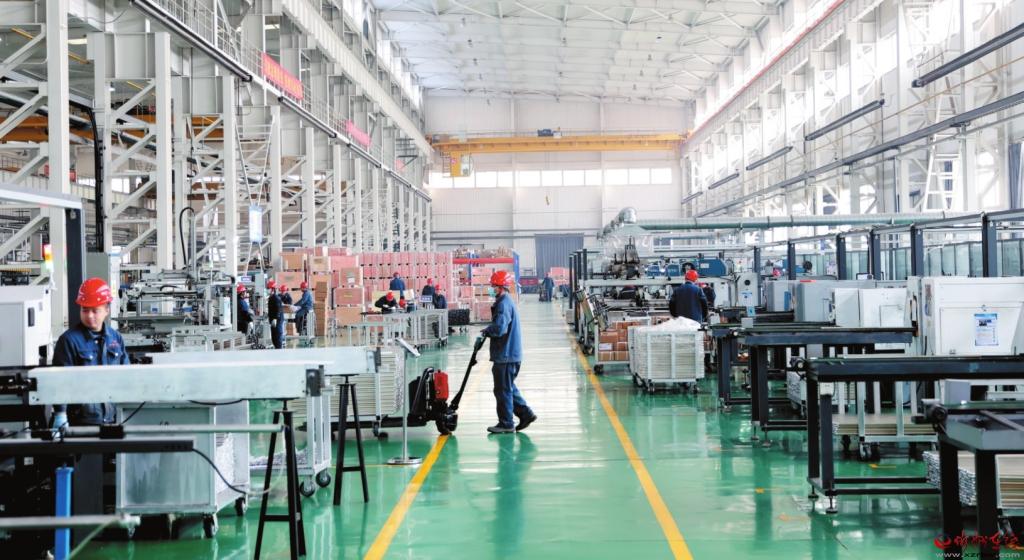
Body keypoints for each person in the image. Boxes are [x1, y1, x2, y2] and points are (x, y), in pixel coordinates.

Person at [52, 278, 130, 427]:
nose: (89, 315)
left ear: (106, 310)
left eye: (95, 310)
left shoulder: (115, 338)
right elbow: (60, 381)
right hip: (80, 422)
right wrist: (60, 414)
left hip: (111, 418)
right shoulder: (69, 340)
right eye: (85, 310)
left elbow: (126, 375)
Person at [478, 270, 536, 434]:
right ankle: (525, 414)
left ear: (501, 287)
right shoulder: (506, 301)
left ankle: (506, 423)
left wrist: (487, 330)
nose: (491, 288)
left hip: (506, 354)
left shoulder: (503, 304)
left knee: (502, 390)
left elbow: (500, 328)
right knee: (508, 387)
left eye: (493, 286)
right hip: (510, 353)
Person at [267, 279, 284, 349]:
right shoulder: (271, 298)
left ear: (273, 289)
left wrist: (275, 318)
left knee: (277, 336)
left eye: (269, 288)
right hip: (273, 320)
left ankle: (279, 351)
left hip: (277, 320)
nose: (268, 290)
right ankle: (277, 349)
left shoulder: (275, 298)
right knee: (274, 337)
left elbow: (278, 309)